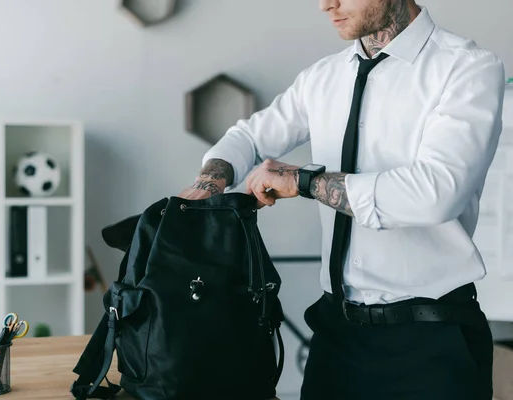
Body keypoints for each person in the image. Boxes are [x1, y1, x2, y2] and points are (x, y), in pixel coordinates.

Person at [179, 0, 506, 399]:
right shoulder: (323, 77)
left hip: (433, 341)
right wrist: (209, 183)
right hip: (336, 339)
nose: (326, 4)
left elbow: (435, 193)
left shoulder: (466, 68)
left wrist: (303, 181)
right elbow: (248, 136)